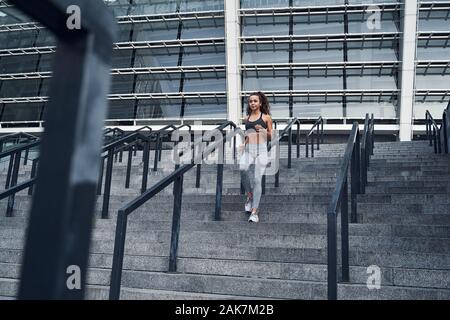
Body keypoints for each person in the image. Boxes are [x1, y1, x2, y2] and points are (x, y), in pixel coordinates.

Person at [239, 91, 273, 223]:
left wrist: (263, 130)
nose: (252, 103)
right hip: (248, 149)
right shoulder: (246, 119)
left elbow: (271, 136)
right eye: (250, 101)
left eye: (255, 101)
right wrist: (244, 143)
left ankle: (254, 211)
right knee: (242, 169)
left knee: (257, 179)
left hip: (262, 150)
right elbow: (248, 134)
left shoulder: (266, 118)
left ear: (260, 103)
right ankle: (249, 194)